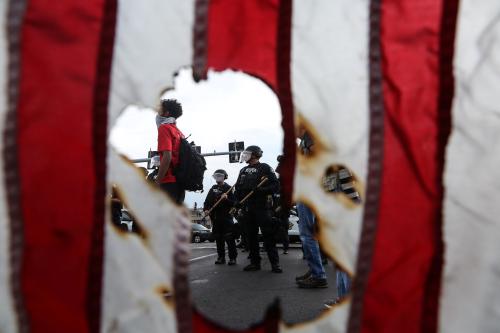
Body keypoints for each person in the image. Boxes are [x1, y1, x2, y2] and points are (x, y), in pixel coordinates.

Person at [234, 145, 282, 273]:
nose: (245, 155)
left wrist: (262, 190)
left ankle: (275, 264)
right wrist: (237, 202)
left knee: (268, 235)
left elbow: (275, 185)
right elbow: (238, 188)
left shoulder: (265, 168)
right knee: (251, 236)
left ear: (255, 155)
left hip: (262, 207)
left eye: (248, 153)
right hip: (248, 207)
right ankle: (255, 262)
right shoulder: (243, 170)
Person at [295, 130, 328, 288]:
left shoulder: (310, 136)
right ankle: (315, 269)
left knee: (307, 234)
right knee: (310, 234)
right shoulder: (306, 140)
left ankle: (318, 274)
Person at [203, 169, 237, 265]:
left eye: (220, 176)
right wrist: (206, 209)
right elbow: (207, 202)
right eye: (216, 176)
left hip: (226, 217)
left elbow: (234, 203)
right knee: (218, 238)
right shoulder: (212, 188)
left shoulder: (229, 188)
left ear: (224, 177)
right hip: (216, 218)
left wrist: (226, 199)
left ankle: (232, 258)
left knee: (229, 238)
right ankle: (221, 257)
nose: (218, 178)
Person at [154, 99, 185, 204]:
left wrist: (157, 181)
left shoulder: (164, 128)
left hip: (168, 183)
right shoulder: (178, 131)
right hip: (179, 184)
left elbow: (167, 156)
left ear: (166, 113)